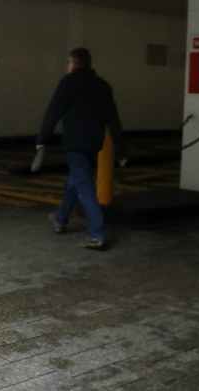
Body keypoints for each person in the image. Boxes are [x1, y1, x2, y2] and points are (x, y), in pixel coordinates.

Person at [36, 47, 128, 250]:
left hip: (74, 144)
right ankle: (60, 220)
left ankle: (96, 234)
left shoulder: (68, 83)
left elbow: (54, 111)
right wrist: (121, 150)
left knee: (84, 185)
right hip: (94, 143)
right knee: (76, 180)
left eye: (69, 62)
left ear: (74, 63)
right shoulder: (103, 86)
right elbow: (113, 120)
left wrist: (42, 138)